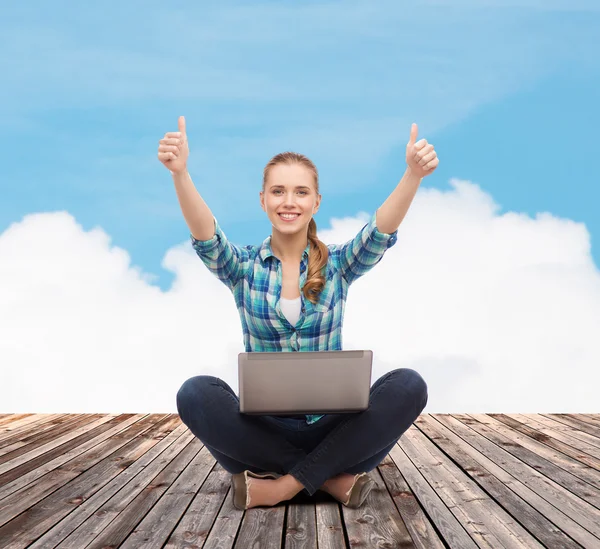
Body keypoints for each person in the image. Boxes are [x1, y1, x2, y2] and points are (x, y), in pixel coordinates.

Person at [159, 116, 438, 510]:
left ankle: (280, 486)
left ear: (315, 202)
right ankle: (328, 481)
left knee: (409, 385)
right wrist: (180, 174)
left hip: (335, 431)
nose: (289, 202)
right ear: (263, 200)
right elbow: (206, 237)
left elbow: (379, 232)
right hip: (260, 436)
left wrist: (412, 175)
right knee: (195, 393)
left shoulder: (339, 265)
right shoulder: (242, 267)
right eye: (278, 191)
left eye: (300, 192)